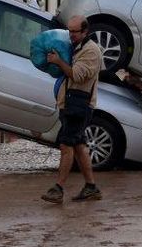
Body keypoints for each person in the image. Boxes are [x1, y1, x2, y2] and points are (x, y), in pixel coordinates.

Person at [41, 16, 103, 204]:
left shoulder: (91, 51)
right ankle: (91, 187)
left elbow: (77, 75)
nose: (71, 35)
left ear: (85, 31)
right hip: (70, 104)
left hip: (79, 106)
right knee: (78, 146)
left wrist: (59, 62)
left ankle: (58, 189)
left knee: (66, 145)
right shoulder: (76, 47)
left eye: (75, 32)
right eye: (69, 31)